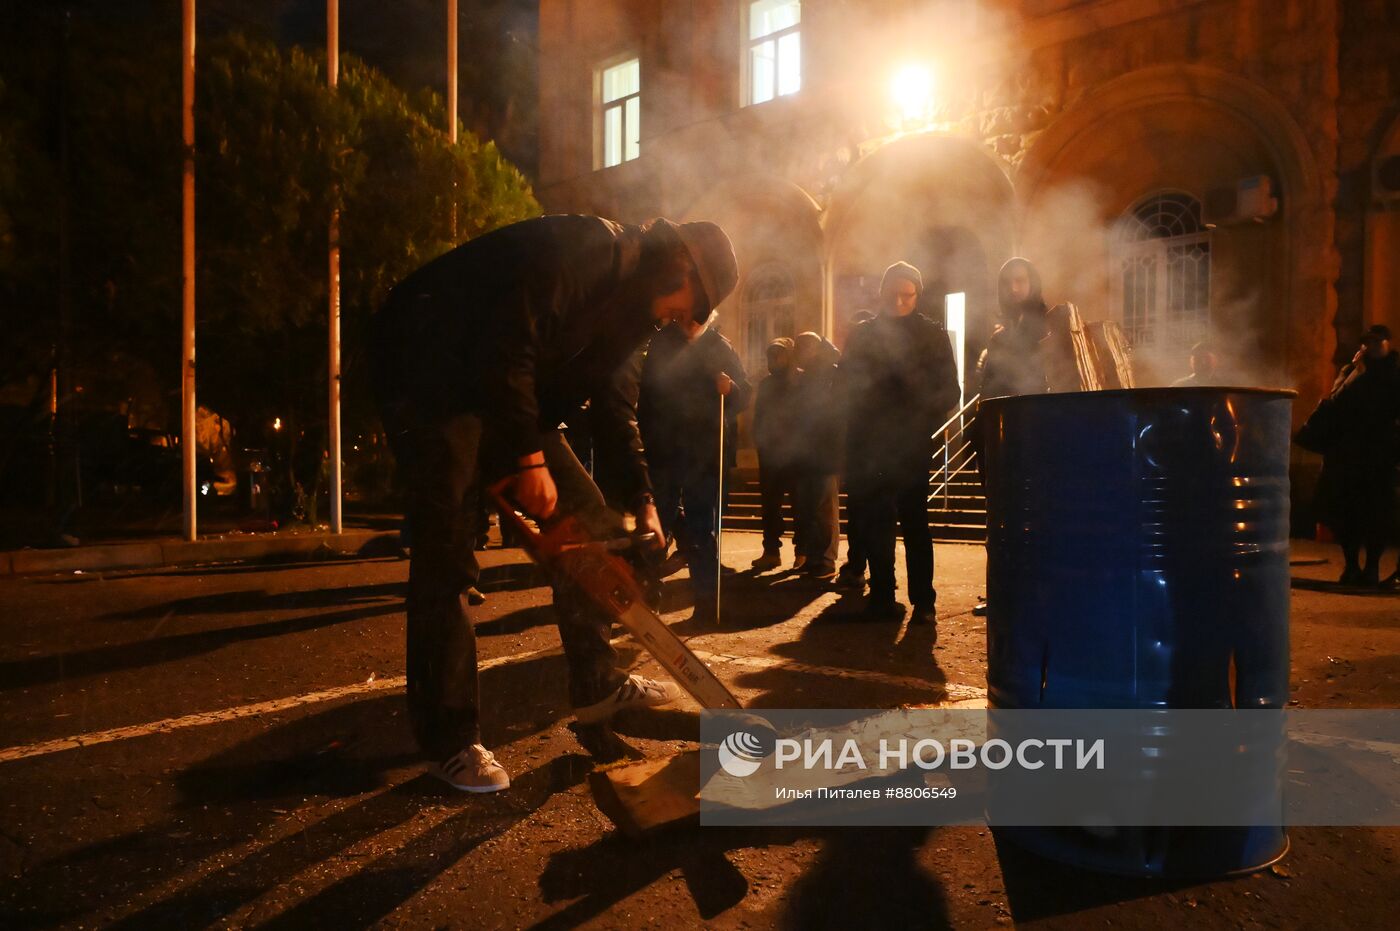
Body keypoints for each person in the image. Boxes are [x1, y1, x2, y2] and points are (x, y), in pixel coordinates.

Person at [372, 214, 739, 792]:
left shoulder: (634, 316)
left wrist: (643, 500)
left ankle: (596, 687)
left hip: (506, 393)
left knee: (594, 533)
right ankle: (450, 739)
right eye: (691, 301)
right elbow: (507, 340)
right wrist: (525, 459)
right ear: (680, 264)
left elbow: (616, 407)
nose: (682, 318)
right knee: (448, 550)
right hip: (431, 371)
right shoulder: (593, 249)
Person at [842, 262, 960, 627]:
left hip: (910, 443)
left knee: (914, 523)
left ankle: (924, 602)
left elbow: (950, 390)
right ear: (882, 292)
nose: (898, 301)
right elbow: (847, 386)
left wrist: (919, 414)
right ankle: (881, 596)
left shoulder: (932, 335)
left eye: (906, 296)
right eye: (892, 294)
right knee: (877, 522)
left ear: (916, 296)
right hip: (872, 445)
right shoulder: (863, 336)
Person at [639, 307, 751, 623]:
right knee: (657, 524)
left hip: (705, 453)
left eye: (698, 315)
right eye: (686, 315)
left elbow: (744, 395)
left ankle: (705, 602)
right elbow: (646, 396)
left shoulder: (721, 346)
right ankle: (647, 595)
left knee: (703, 527)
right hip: (666, 451)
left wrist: (732, 390)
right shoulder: (662, 343)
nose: (690, 321)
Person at [1315, 325, 1400, 587]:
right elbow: (1336, 400)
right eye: (1367, 343)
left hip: (1382, 455)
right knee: (1346, 512)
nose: (1371, 347)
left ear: (1388, 344)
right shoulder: (1352, 371)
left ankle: (1372, 567)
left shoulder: (1395, 374)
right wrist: (1355, 372)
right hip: (1349, 456)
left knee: (1378, 513)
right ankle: (1351, 565)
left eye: (1377, 342)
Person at [792, 331, 843, 580]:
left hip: (825, 449)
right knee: (810, 505)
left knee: (824, 506)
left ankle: (825, 559)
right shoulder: (807, 376)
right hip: (807, 449)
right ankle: (814, 556)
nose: (799, 352)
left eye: (804, 347)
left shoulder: (830, 373)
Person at [751, 338, 802, 571]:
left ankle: (802, 551)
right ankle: (771, 551)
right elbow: (759, 416)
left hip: (795, 452)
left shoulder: (800, 380)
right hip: (771, 453)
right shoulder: (766, 385)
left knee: (799, 504)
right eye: (770, 355)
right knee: (770, 505)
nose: (773, 359)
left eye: (778, 354)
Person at [836, 310, 876, 591]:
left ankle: (861, 567)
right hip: (862, 450)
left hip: (870, 451)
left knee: (865, 514)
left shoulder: (863, 368)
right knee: (862, 513)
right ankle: (860, 566)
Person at [977, 257, 1049, 400]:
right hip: (1008, 416)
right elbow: (988, 390)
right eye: (1007, 283)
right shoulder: (998, 339)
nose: (1013, 288)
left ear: (1032, 283)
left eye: (1020, 281)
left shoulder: (1049, 327)